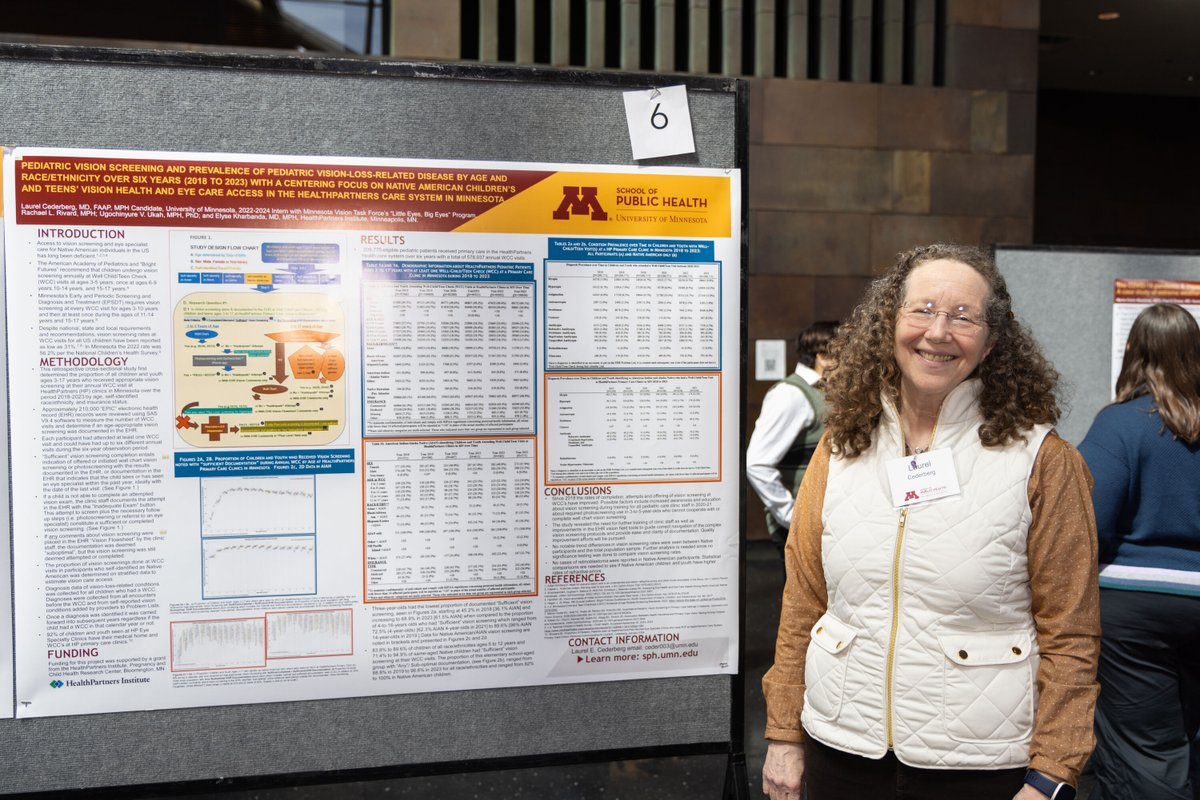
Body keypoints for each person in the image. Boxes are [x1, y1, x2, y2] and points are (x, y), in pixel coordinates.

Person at [761, 243, 1101, 800]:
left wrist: (1051, 775)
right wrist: (783, 735)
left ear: (992, 341)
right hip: (839, 749)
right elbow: (803, 601)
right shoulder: (841, 447)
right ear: (888, 323)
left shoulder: (1045, 462)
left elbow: (1072, 635)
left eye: (963, 316)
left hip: (979, 765)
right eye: (921, 310)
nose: (938, 332)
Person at [1077, 302, 1200, 800]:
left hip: (1134, 615)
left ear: (1134, 352)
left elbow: (1087, 523)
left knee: (1145, 753)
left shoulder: (1119, 425)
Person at [746, 320, 839, 557]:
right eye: (846, 351)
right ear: (823, 356)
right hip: (800, 527)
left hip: (825, 522)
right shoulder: (790, 394)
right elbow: (757, 463)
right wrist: (791, 515)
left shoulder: (826, 390)